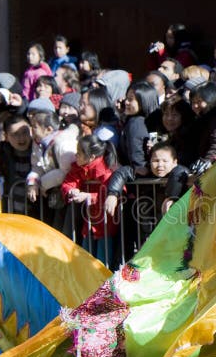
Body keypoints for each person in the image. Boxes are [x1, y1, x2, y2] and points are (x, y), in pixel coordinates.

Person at [61, 134, 119, 264]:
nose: (76, 155)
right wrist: (71, 190)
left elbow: (109, 193)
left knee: (102, 260)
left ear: (91, 157)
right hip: (89, 220)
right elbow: (69, 181)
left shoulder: (105, 169)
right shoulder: (80, 167)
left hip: (106, 222)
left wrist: (89, 196)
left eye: (79, 153)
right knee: (86, 257)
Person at [0, 114, 33, 214]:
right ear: (6, 137)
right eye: (15, 134)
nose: (21, 138)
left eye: (25, 132)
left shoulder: (39, 152)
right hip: (10, 211)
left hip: (37, 212)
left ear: (31, 130)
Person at [119, 81, 159, 173]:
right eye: (126, 98)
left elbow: (136, 153)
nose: (126, 102)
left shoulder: (135, 123)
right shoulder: (153, 121)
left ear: (143, 101)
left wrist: (139, 168)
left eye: (130, 99)